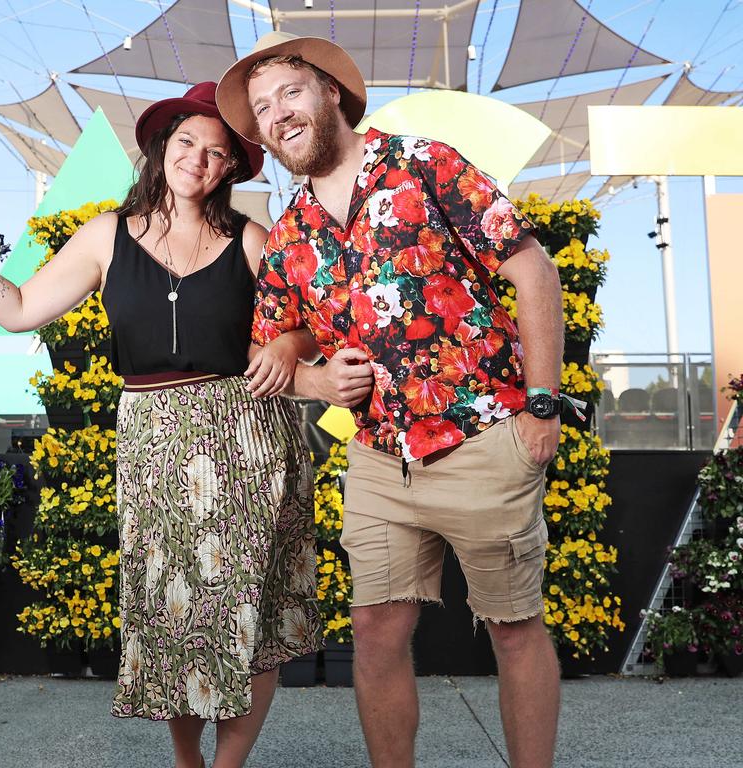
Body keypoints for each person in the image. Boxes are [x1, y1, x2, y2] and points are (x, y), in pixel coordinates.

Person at [0, 81, 338, 768]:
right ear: (164, 148)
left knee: (251, 616)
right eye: (188, 142)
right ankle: (188, 759)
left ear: (230, 169)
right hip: (154, 439)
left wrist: (288, 346)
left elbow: (318, 325)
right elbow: (16, 308)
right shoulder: (106, 235)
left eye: (217, 152)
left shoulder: (253, 240)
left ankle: (227, 767)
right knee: (171, 616)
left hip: (248, 435)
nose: (198, 159)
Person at [217, 33, 565, 768]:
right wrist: (307, 374)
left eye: (289, 93)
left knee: (513, 627)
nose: (277, 114)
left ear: (331, 94)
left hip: (483, 436)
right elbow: (268, 346)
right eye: (261, 110)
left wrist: (541, 407)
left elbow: (532, 270)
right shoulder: (289, 236)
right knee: (374, 633)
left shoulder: (424, 164)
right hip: (380, 459)